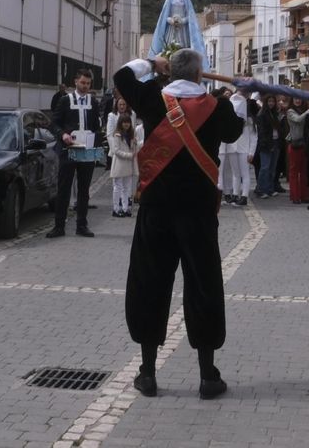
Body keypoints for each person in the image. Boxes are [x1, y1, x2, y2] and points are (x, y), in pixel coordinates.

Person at [113, 51, 243, 400]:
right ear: (201, 74)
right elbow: (235, 131)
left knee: (149, 283)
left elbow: (121, 77)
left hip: (156, 210)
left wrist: (149, 64)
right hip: (198, 213)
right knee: (204, 285)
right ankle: (207, 375)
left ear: (169, 71)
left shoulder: (153, 100)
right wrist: (236, 97)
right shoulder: (218, 107)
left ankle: (147, 373)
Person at [50, 69, 105, 238]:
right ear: (75, 82)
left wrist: (95, 137)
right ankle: (59, 226)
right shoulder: (65, 100)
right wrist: (63, 134)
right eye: (82, 83)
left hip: (86, 151)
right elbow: (54, 124)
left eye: (88, 83)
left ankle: (82, 225)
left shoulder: (94, 102)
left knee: (84, 190)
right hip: (68, 150)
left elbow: (97, 126)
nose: (85, 86)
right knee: (64, 188)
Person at [222, 88, 256, 207]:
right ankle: (236, 194)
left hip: (244, 149)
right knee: (235, 173)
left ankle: (244, 196)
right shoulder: (230, 120)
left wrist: (252, 152)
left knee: (244, 173)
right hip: (232, 147)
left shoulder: (250, 120)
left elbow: (253, 137)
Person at [108, 96, 140, 217]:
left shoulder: (131, 132)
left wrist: (135, 146)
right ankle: (116, 209)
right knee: (118, 186)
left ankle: (126, 208)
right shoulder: (116, 132)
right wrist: (129, 154)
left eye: (128, 123)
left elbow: (134, 145)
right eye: (120, 104)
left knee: (127, 187)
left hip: (128, 163)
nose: (126, 125)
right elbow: (115, 146)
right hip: (120, 161)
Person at [253, 94, 282, 199]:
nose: (271, 103)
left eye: (273, 101)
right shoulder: (262, 114)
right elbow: (261, 132)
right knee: (264, 167)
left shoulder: (274, 113)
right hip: (266, 144)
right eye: (269, 101)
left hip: (275, 142)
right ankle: (260, 189)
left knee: (272, 168)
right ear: (266, 102)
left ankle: (269, 188)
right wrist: (267, 144)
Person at [285, 98, 309, 205]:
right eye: (295, 98)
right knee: (294, 172)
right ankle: (295, 196)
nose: (298, 100)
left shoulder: (304, 110)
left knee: (304, 172)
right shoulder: (290, 111)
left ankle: (305, 195)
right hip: (295, 144)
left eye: (300, 98)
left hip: (304, 144)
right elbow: (298, 119)